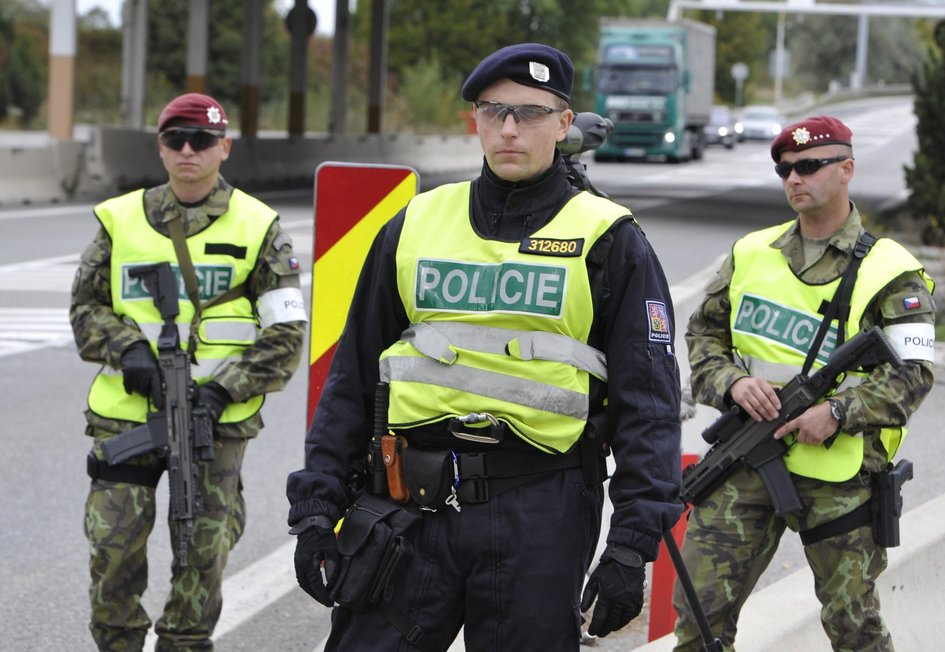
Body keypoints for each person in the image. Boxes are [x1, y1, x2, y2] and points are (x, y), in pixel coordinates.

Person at [286, 43, 684, 651]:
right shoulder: (414, 223)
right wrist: (317, 506)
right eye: (493, 111)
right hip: (409, 507)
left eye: (529, 113)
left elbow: (648, 407)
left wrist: (631, 547)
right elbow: (355, 376)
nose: (508, 128)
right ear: (474, 119)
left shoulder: (609, 238)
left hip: (540, 511)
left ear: (563, 123)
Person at [672, 115, 936, 652]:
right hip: (747, 458)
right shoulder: (752, 252)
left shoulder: (891, 270)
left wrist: (839, 411)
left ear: (846, 171)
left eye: (811, 166)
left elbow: (914, 372)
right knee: (698, 617)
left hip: (838, 473)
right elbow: (704, 335)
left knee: (854, 628)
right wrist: (731, 383)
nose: (796, 178)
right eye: (786, 169)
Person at [70, 92, 307, 652]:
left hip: (214, 423)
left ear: (224, 147)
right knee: (112, 552)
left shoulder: (260, 226)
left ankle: (184, 643)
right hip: (126, 417)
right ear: (160, 147)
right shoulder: (120, 219)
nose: (188, 150)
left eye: (202, 140)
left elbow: (285, 332)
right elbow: (86, 308)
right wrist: (126, 348)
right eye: (175, 139)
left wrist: (224, 389)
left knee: (203, 554)